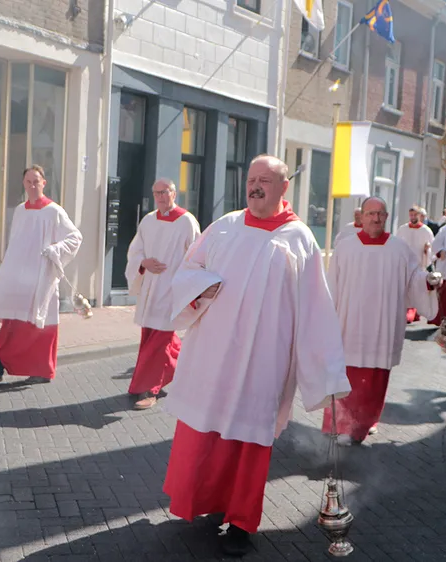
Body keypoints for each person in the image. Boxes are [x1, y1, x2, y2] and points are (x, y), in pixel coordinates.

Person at [163, 155, 351, 557]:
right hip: (212, 355)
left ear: (284, 187)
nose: (255, 186)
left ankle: (240, 524)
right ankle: (208, 503)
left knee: (249, 444)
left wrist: (327, 371)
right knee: (204, 436)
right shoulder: (225, 226)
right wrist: (200, 287)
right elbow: (188, 268)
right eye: (251, 179)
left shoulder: (299, 239)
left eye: (265, 180)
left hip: (263, 361)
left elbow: (316, 311)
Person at [324, 197, 439, 445]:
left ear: (386, 217)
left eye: (380, 214)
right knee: (346, 375)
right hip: (349, 324)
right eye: (370, 213)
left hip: (382, 325)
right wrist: (326, 319)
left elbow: (414, 277)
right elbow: (331, 285)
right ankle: (340, 423)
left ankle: (363, 424)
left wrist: (427, 281)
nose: (375, 218)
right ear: (362, 217)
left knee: (375, 379)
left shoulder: (399, 248)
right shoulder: (345, 247)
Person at [0, 165, 82, 383]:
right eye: (28, 182)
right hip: (20, 278)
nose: (32, 186)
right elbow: (15, 242)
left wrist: (56, 250)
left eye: (36, 181)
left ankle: (14, 367)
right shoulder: (20, 210)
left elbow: (75, 237)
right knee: (14, 323)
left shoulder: (54, 211)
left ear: (44, 183)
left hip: (42, 277)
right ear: (23, 183)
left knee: (38, 324)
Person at [124, 178, 200, 410]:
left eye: (164, 192)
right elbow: (135, 250)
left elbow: (197, 255)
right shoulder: (148, 220)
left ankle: (149, 389)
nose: (160, 197)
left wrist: (189, 287)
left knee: (160, 340)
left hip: (171, 289)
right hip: (150, 289)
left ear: (174, 194)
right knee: (152, 337)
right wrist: (143, 262)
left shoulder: (187, 221)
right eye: (156, 193)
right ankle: (187, 371)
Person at [396, 205, 434, 323]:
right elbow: (397, 244)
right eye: (411, 215)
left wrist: (427, 250)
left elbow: (432, 247)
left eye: (415, 215)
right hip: (405, 263)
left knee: (416, 289)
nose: (413, 217)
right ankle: (407, 310)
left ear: (420, 216)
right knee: (405, 288)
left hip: (419, 263)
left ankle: (414, 311)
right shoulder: (402, 229)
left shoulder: (426, 230)